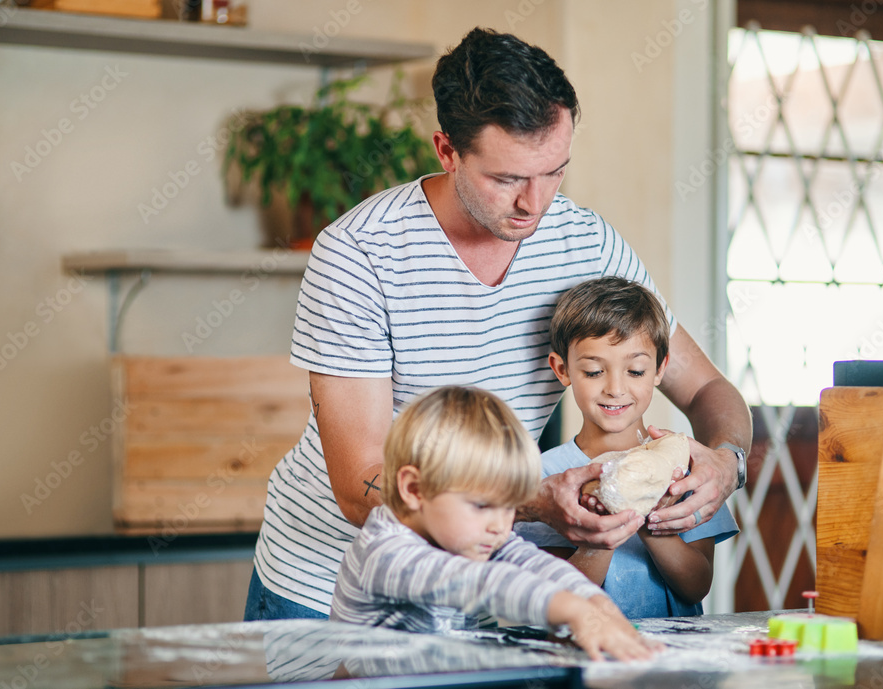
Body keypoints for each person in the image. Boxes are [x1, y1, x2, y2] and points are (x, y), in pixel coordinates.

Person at [245, 26, 751, 621]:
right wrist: (531, 500)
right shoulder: (360, 254)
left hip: (483, 587)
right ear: (447, 151)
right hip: (332, 586)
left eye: (555, 172)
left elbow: (708, 389)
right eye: (507, 179)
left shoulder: (586, 242)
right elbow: (362, 486)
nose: (533, 204)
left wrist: (726, 461)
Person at [329, 386, 661, 662]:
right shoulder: (385, 554)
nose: (500, 527)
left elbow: (532, 563)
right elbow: (481, 582)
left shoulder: (474, 532)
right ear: (414, 489)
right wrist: (570, 610)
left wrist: (595, 603)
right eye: (482, 505)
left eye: (510, 508)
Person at [516, 277, 739, 618]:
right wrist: (599, 533)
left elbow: (696, 585)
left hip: (673, 661)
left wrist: (652, 516)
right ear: (563, 370)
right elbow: (557, 600)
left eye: (635, 370)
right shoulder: (545, 478)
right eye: (593, 372)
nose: (615, 388)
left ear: (659, 369)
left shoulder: (689, 470)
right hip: (587, 658)